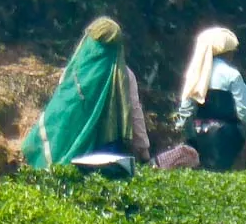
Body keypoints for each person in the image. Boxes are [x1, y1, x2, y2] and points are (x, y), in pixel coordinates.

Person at [22, 17, 150, 169]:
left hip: (69, 152)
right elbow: (134, 114)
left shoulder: (75, 70)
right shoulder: (124, 77)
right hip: (107, 155)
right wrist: (144, 151)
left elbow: (60, 110)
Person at [175, 27, 246, 171]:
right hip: (225, 135)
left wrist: (190, 137)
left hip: (198, 132)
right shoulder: (232, 75)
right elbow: (244, 111)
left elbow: (186, 111)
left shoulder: (195, 75)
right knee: (220, 175)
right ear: (226, 52)